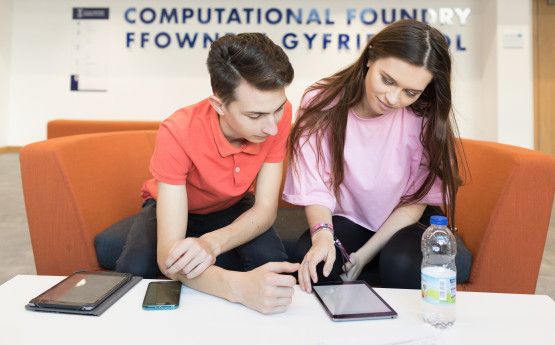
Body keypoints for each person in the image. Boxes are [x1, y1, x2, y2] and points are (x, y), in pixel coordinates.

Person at [114, 33, 299, 314]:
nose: (272, 127)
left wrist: (210, 243)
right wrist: (236, 287)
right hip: (178, 208)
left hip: (233, 204)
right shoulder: (177, 132)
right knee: (134, 269)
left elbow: (265, 210)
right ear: (219, 106)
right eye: (255, 116)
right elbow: (168, 258)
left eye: (276, 110)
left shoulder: (278, 115)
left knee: (271, 262)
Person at [282, 19, 467, 292]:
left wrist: (364, 255)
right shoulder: (322, 101)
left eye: (410, 92)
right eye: (387, 80)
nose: (393, 98)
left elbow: (415, 201)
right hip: (352, 218)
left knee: (402, 263)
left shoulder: (424, 115)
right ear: (370, 57)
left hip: (407, 220)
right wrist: (322, 234)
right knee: (314, 258)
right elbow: (315, 185)